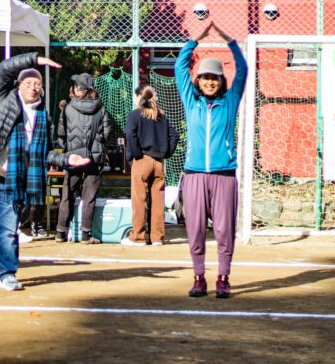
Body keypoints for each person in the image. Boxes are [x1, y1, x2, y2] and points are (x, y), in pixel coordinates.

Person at [0, 57, 90, 291]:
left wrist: (66, 159)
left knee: (9, 231)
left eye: (37, 84)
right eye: (28, 82)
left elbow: (45, 153)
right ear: (18, 84)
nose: (33, 87)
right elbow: (3, 68)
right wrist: (35, 59)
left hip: (13, 179)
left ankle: (7, 274)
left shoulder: (43, 116)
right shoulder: (3, 98)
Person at [175, 21, 247, 299]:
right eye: (204, 77)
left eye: (214, 78)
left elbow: (243, 70)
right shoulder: (190, 101)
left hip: (223, 176)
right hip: (194, 175)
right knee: (194, 229)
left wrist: (231, 42)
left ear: (221, 81)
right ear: (198, 80)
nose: (209, 82)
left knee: (224, 230)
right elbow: (180, 66)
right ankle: (199, 278)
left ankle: (223, 278)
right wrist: (196, 39)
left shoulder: (229, 102)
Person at [54, 73, 112, 244]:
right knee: (89, 196)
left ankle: (61, 232)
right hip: (94, 159)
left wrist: (69, 149)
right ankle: (86, 234)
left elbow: (60, 134)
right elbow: (107, 134)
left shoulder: (67, 109)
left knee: (68, 194)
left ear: (76, 89)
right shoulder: (101, 109)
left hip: (73, 157)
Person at [122, 83, 179, 247]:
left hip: (142, 160)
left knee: (139, 199)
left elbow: (130, 134)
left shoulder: (135, 114)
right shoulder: (161, 116)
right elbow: (174, 135)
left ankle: (138, 237)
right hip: (159, 162)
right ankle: (157, 238)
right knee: (158, 200)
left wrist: (135, 154)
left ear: (139, 97)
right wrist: (166, 153)